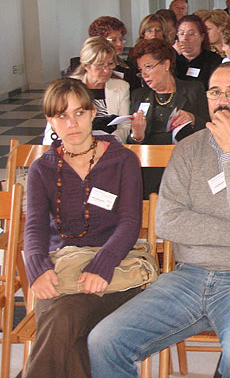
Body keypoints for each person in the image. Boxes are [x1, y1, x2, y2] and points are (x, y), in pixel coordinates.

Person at [88, 62, 230, 378]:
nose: (222, 100)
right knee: (104, 341)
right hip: (187, 276)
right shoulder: (188, 149)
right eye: (215, 92)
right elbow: (168, 221)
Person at [24, 78, 142, 378]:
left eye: (79, 112)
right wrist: (37, 268)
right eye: (61, 115)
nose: (72, 122)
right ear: (50, 120)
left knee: (63, 318)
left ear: (92, 113)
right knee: (73, 340)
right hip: (60, 271)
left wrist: (100, 266)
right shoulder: (42, 168)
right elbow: (35, 227)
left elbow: (130, 223)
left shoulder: (122, 160)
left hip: (114, 271)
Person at [45, 37, 130, 144]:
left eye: (110, 64)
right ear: (86, 65)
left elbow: (125, 125)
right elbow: (52, 126)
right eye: (100, 65)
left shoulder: (121, 87)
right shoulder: (68, 87)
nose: (107, 70)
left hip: (108, 144)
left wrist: (112, 140)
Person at [128, 38, 208, 146]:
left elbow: (208, 127)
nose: (144, 75)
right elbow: (130, 143)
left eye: (148, 67)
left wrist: (193, 119)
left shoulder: (193, 90)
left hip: (185, 155)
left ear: (166, 64)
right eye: (141, 70)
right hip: (149, 158)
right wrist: (137, 136)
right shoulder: (139, 96)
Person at [174, 15, 223, 90]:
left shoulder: (214, 60)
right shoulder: (171, 59)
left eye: (191, 34)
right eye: (181, 33)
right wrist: (172, 54)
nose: (185, 38)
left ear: (202, 37)